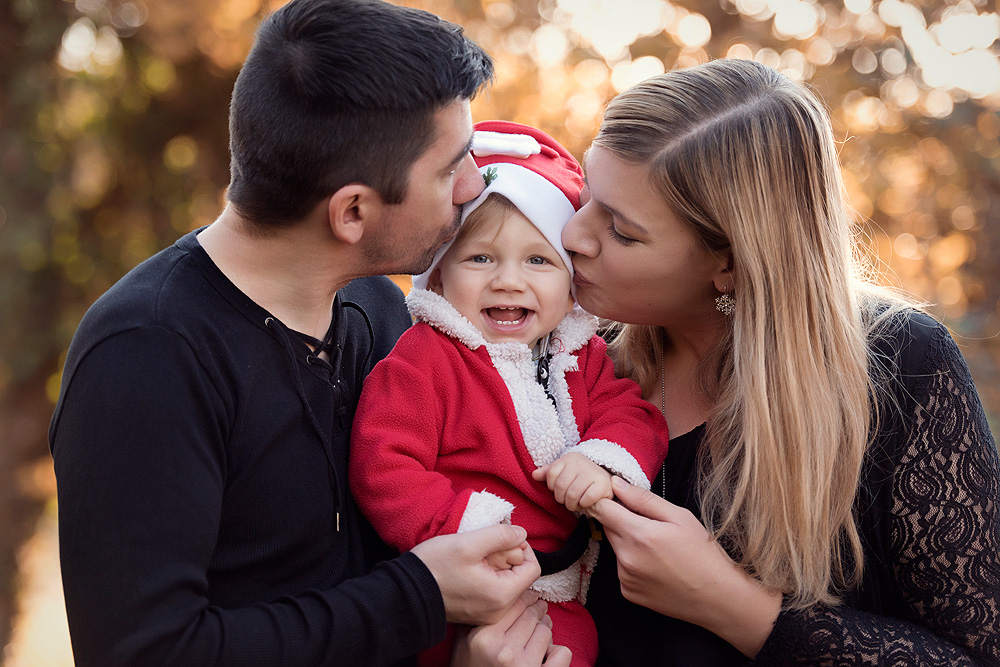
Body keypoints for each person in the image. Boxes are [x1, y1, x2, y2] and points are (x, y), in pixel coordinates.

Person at [48, 1, 568, 665]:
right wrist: (421, 596)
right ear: (352, 211)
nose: (475, 185)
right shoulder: (146, 354)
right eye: (449, 169)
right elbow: (148, 651)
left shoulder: (380, 306)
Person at [558, 58, 1000, 666]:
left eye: (624, 232)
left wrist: (737, 607)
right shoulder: (567, 362)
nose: (574, 235)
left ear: (733, 264)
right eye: (586, 194)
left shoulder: (900, 368)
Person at [350, 121, 668, 667]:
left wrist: (601, 462)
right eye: (481, 259)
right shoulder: (425, 360)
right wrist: (471, 528)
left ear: (570, 284)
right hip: (464, 589)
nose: (508, 281)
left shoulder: (579, 355)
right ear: (440, 275)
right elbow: (384, 465)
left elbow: (632, 414)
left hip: (561, 591)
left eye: (538, 261)